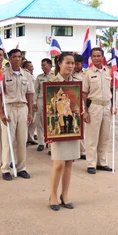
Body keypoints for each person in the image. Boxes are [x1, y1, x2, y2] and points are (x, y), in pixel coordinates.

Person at [48, 52, 80, 211]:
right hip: (57, 127)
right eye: (67, 62)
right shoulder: (51, 82)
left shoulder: (77, 82)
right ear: (59, 63)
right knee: (59, 163)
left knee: (69, 162)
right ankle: (53, 195)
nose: (70, 66)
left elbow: (79, 104)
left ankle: (64, 195)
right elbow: (47, 107)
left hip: (72, 126)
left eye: (72, 63)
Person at [0, 49, 34, 181]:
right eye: (14, 57)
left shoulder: (27, 75)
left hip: (22, 108)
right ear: (10, 59)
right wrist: (1, 112)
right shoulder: (3, 75)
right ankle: (6, 169)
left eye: (19, 57)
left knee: (22, 140)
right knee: (8, 140)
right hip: (9, 109)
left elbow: (30, 94)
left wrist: (30, 112)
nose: (17, 59)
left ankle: (21, 168)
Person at [82, 47, 116, 174]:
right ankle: (91, 164)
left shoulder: (109, 72)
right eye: (94, 56)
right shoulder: (88, 74)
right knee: (92, 137)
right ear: (91, 58)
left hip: (107, 106)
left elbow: (112, 91)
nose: (96, 58)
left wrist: (113, 105)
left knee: (105, 136)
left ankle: (102, 162)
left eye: (99, 56)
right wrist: (85, 111)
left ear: (103, 57)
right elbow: (84, 93)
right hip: (94, 107)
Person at [34, 58, 53, 152]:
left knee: (50, 123)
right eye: (41, 65)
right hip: (41, 100)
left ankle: (50, 144)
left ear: (50, 65)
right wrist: (34, 103)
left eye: (44, 65)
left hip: (51, 101)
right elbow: (35, 91)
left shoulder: (55, 76)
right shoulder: (39, 77)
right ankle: (41, 143)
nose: (42, 67)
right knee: (40, 123)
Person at [71, 54, 86, 159]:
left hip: (83, 102)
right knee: (74, 126)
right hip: (72, 102)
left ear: (81, 63)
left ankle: (82, 150)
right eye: (73, 63)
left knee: (83, 128)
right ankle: (79, 150)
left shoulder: (87, 74)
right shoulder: (69, 74)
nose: (75, 66)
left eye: (77, 63)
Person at [23, 60, 39, 145]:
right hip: (29, 101)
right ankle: (25, 138)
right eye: (30, 66)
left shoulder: (31, 76)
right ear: (26, 67)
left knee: (32, 121)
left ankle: (30, 137)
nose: (32, 68)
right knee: (28, 121)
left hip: (33, 100)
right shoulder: (26, 75)